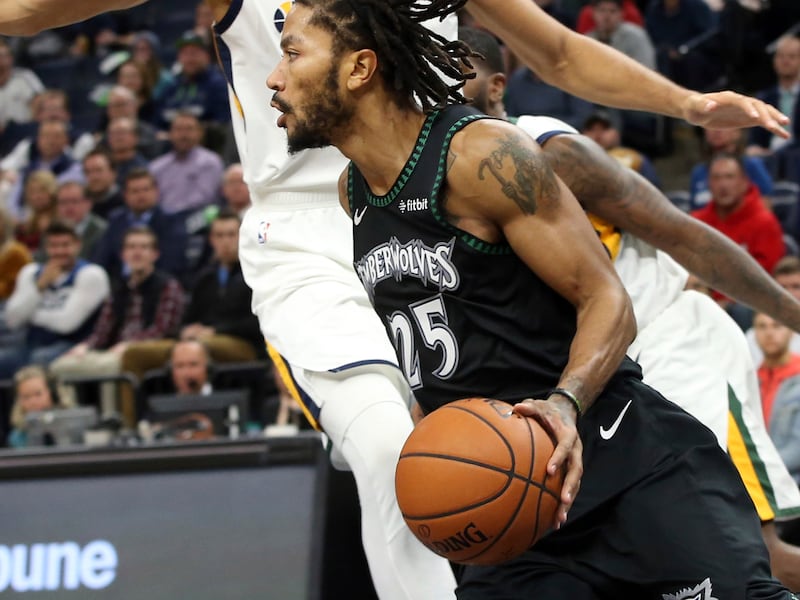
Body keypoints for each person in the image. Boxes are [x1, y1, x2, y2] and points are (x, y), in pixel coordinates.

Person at [268, 1, 794, 596]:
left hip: (619, 459)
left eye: (291, 54)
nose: (272, 78)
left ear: (360, 68)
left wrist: (565, 403)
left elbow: (608, 300)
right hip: (513, 504)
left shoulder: (482, 155)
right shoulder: (353, 193)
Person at [459, 24, 800, 586]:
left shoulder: (554, 152)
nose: (442, 84)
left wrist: (794, 317)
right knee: (645, 569)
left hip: (672, 342)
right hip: (600, 379)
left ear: (497, 87)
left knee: (745, 557)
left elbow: (687, 237)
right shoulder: (436, 189)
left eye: (460, 69)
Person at [50, 225, 184, 424]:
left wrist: (129, 345)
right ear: (123, 254)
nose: (137, 252)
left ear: (155, 254)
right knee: (60, 367)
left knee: (111, 365)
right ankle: (74, 423)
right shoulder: (118, 287)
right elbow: (103, 329)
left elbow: (163, 329)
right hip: (114, 350)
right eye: (131, 247)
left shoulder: (167, 285)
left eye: (143, 247)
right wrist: (86, 346)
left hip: (148, 350)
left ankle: (113, 421)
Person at [120, 209, 263, 381]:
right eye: (219, 235)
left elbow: (259, 323)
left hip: (245, 344)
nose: (225, 241)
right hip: (202, 339)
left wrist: (215, 330)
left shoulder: (257, 273)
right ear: (211, 240)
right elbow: (189, 317)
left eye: (231, 235)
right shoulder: (205, 277)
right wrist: (186, 330)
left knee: (195, 348)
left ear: (243, 237)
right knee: (135, 354)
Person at [1, 220, 110, 378]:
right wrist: (39, 287)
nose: (59, 251)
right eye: (53, 246)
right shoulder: (31, 273)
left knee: (38, 361)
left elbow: (67, 324)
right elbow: (12, 320)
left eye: (65, 245)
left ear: (78, 245)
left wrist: (30, 314)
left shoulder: (91, 274)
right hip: (31, 343)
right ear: (46, 248)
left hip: (73, 345)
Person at [691, 154, 786, 276]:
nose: (723, 185)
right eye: (716, 178)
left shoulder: (765, 222)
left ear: (744, 182)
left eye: (729, 177)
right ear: (708, 183)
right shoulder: (696, 222)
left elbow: (767, 276)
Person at [92, 168, 187, 280]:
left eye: (146, 190)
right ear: (125, 195)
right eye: (135, 191)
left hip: (156, 284)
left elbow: (171, 263)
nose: (141, 195)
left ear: (156, 191)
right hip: (119, 287)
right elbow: (102, 258)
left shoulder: (171, 221)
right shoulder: (116, 220)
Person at [148, 111, 224, 214]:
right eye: (178, 129)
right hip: (165, 221)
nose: (183, 135)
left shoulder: (210, 162)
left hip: (199, 219)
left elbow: (206, 199)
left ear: (200, 133)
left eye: (189, 129)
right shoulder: (157, 167)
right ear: (170, 134)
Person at [755, 311, 800, 426]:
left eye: (777, 326)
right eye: (762, 326)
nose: (769, 333)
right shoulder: (751, 379)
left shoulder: (797, 374)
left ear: (791, 332)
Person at [6, 364, 61, 448]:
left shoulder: (73, 425)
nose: (33, 402)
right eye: (26, 397)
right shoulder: (17, 437)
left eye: (38, 394)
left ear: (52, 393)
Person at [52, 181, 107, 260]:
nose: (69, 207)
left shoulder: (101, 231)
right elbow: (42, 258)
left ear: (88, 203)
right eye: (63, 202)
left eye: (74, 201)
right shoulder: (52, 229)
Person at [0, 37, 44, 131]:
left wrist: (33, 123)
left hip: (26, 129)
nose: (0, 61)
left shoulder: (24, 76)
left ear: (11, 58)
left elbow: (41, 100)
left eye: (3, 56)